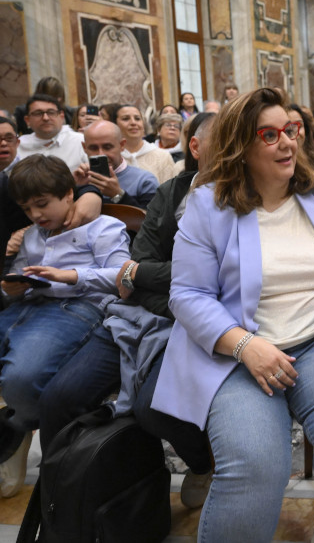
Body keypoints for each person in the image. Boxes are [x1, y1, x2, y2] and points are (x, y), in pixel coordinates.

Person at [150, 88, 314, 542]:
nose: (287, 143)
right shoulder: (207, 207)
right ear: (241, 145)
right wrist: (244, 344)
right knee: (256, 464)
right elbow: (187, 295)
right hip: (236, 348)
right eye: (270, 134)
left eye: (292, 131)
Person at [37, 112, 218, 506]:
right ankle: (61, 502)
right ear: (196, 148)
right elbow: (133, 265)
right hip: (140, 312)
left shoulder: (246, 197)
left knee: (152, 407)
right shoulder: (172, 192)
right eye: (223, 142)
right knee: (59, 396)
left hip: (196, 320)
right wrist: (149, 282)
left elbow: (215, 276)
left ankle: (204, 463)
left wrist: (146, 279)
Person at [0, 155, 130, 493]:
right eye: (28, 210)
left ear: (70, 194)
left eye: (42, 205)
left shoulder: (103, 227)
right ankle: (12, 427)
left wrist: (71, 275)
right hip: (26, 305)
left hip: (75, 308)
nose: (37, 216)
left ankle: (16, 429)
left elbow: (123, 277)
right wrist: (10, 286)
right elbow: (22, 271)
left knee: (23, 378)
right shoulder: (32, 234)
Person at [78, 120, 159, 208]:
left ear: (122, 145)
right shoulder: (81, 179)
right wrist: (76, 187)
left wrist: (117, 194)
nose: (101, 154)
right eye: (93, 148)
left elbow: (151, 220)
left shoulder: (144, 181)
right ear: (84, 148)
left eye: (107, 147)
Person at [17, 93, 86, 171]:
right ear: (27, 120)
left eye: (51, 112)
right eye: (38, 113)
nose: (45, 118)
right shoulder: (18, 146)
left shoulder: (80, 141)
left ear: (61, 116)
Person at [110, 104, 176, 184]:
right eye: (126, 119)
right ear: (115, 125)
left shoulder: (163, 156)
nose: (133, 122)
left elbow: (170, 192)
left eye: (137, 119)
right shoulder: (111, 157)